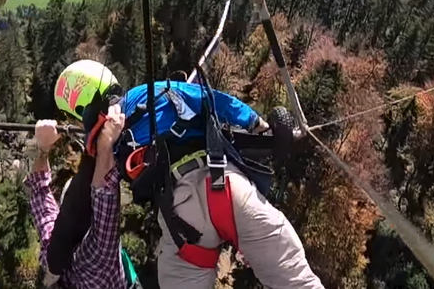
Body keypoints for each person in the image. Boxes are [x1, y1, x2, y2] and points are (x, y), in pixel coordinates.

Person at [52, 59, 324, 289]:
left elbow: (100, 196)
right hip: (228, 188)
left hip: (181, 226)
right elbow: (214, 101)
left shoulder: (104, 149)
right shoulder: (152, 93)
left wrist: (101, 146)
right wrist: (259, 125)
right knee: (300, 282)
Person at [24, 101, 128, 289]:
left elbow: (39, 192)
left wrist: (43, 147)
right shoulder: (96, 264)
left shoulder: (55, 253)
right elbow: (104, 195)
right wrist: (105, 142)